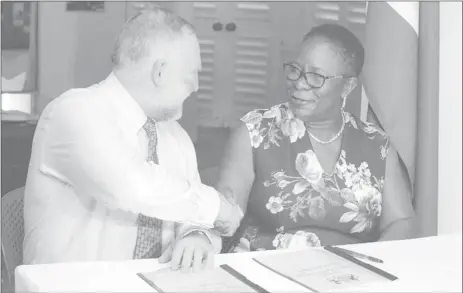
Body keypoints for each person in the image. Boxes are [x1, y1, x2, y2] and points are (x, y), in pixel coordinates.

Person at [23, 8, 243, 271]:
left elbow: (189, 209)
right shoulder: (73, 111)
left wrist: (197, 235)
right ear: (160, 73)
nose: (196, 86)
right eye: (191, 75)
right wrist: (218, 207)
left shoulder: (175, 136)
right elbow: (131, 185)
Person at [216, 23, 418, 253]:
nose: (300, 83)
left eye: (316, 76)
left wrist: (372, 263)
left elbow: (401, 222)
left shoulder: (377, 145)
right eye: (295, 70)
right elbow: (223, 212)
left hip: (349, 278)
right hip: (265, 273)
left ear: (347, 86)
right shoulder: (254, 133)